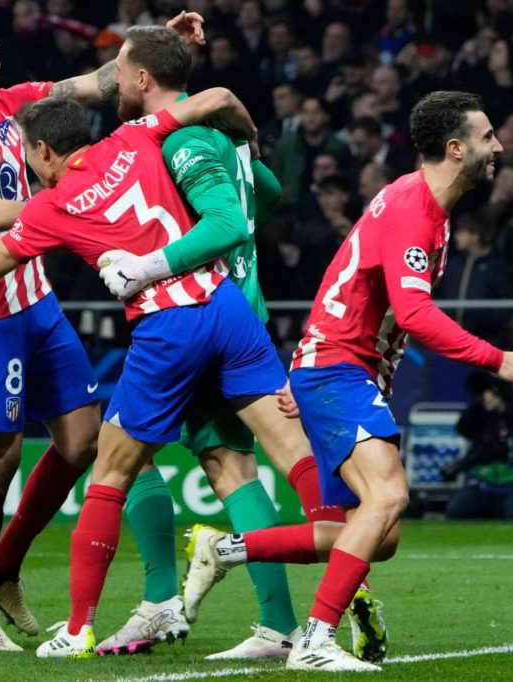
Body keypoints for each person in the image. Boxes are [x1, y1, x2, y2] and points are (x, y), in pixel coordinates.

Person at [0, 79, 279, 660]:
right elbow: (221, 99)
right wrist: (252, 143)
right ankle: (296, 621)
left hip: (167, 324)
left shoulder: (51, 206)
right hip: (230, 306)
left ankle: (82, 627)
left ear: (45, 152)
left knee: (109, 469)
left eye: (29, 153)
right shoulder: (135, 138)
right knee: (262, 464)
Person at [175, 91, 513, 672]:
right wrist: (498, 360)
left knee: (375, 534)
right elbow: (414, 315)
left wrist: (312, 360)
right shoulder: (413, 208)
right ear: (455, 147)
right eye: (488, 136)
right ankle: (315, 640)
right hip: (338, 368)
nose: (497, 146)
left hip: (337, 368)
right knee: (389, 496)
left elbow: (356, 283)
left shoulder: (423, 210)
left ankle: (224, 549)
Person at [0, 9, 204, 653]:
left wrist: (157, 43)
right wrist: (80, 197)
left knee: (80, 443)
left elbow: (103, 80)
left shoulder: (16, 104)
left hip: (37, 304)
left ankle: (3, 566)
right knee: (1, 460)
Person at [91, 25, 352, 661]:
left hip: (195, 317)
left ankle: (157, 603)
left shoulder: (179, 140)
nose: (116, 83)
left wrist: (149, 266)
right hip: (242, 318)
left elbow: (229, 221)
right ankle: (283, 624)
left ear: (145, 79)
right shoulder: (227, 141)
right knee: (234, 469)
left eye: (121, 72)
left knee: (121, 453)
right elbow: (266, 193)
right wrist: (244, 146)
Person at [441, 372, 513, 520]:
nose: (488, 395)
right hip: (483, 484)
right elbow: (462, 428)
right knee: (457, 509)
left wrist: (503, 409)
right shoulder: (480, 410)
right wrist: (479, 402)